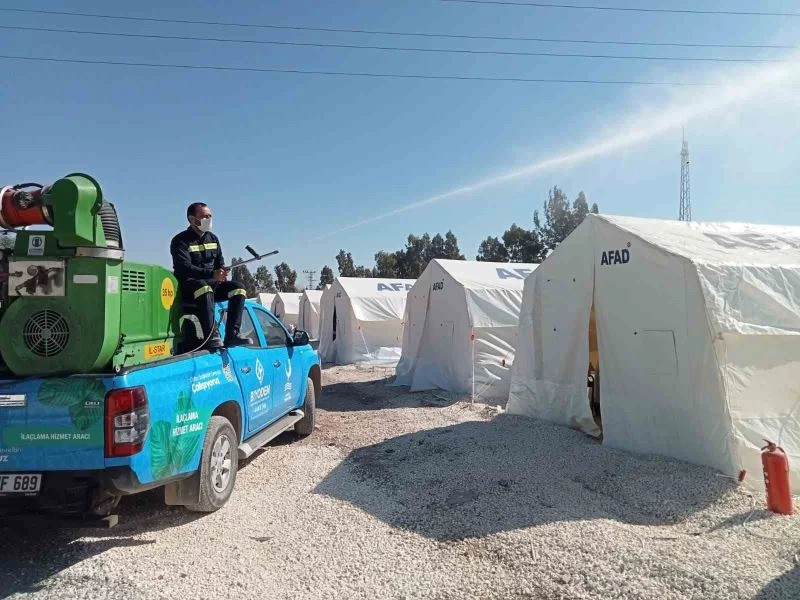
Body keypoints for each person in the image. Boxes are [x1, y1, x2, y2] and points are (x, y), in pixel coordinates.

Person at [170, 202, 249, 350]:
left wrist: (222, 272)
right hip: (190, 287)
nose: (209, 220)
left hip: (212, 285)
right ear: (192, 219)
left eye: (210, 216)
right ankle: (211, 336)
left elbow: (219, 262)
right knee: (204, 288)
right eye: (204, 216)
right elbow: (185, 268)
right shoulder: (180, 241)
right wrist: (212, 274)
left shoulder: (213, 238)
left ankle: (232, 334)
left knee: (239, 288)